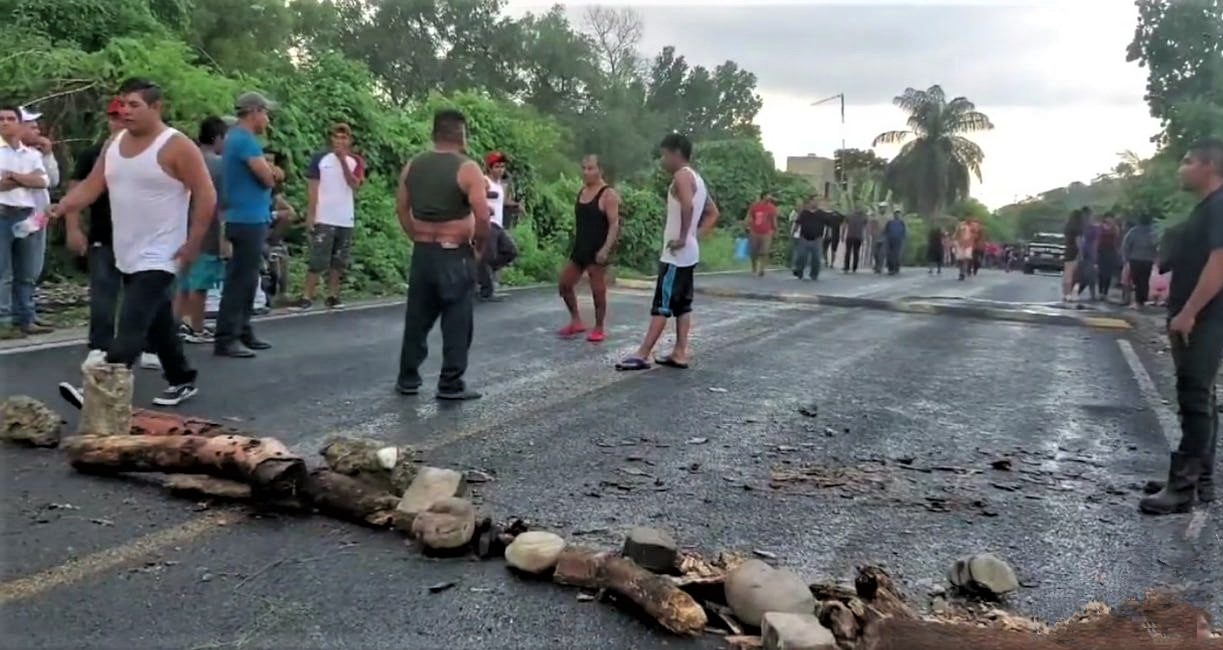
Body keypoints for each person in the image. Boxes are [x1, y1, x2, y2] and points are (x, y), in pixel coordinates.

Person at [48, 77, 216, 406]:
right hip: (126, 248)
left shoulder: (176, 146)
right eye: (122, 104)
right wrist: (66, 205)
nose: (125, 111)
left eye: (134, 104)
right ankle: (182, 378)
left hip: (162, 251)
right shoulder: (114, 144)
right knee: (158, 323)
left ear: (156, 107)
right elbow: (93, 185)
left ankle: (101, 387)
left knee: (132, 320)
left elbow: (206, 195)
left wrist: (194, 242)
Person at [1140, 137, 1223, 515]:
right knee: (1202, 397)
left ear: (1208, 166)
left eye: (1188, 161)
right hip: (1201, 314)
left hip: (1205, 316)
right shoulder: (1208, 207)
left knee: (1194, 396)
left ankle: (1184, 487)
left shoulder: (1219, 206)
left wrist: (1189, 311)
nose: (1181, 167)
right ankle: (1199, 480)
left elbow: (1219, 264)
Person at [394, 109, 491, 400]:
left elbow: (401, 208)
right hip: (454, 254)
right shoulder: (468, 168)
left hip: (423, 253)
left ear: (434, 132)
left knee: (417, 319)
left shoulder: (413, 165)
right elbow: (483, 216)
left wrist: (416, 236)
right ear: (461, 135)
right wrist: (479, 246)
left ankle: (408, 379)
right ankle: (450, 383)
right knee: (457, 320)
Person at [65, 99, 162, 367]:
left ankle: (150, 345)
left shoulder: (152, 152)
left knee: (144, 296)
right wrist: (73, 228)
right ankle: (99, 346)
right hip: (104, 234)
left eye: (123, 117)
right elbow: (75, 192)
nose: (119, 122)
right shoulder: (93, 155)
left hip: (143, 237)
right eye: (113, 118)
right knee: (103, 294)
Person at [615, 133, 719, 371]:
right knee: (682, 304)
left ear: (675, 153)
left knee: (662, 304)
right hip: (689, 253)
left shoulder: (682, 175)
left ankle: (642, 353)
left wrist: (683, 237)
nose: (663, 160)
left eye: (664, 155)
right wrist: (694, 235)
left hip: (676, 255)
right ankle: (680, 352)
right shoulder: (698, 179)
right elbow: (713, 213)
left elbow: (688, 205)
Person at [215, 91, 281, 358]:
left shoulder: (237, 139)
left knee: (247, 278)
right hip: (247, 218)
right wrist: (271, 171)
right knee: (240, 280)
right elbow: (267, 178)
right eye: (264, 113)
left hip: (246, 216)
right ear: (254, 112)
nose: (266, 119)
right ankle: (227, 336)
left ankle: (242, 329)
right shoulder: (245, 141)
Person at [294, 123, 364, 311]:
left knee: (339, 259)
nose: (340, 141)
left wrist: (343, 161)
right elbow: (313, 187)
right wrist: (311, 214)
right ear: (331, 138)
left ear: (349, 141)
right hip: (324, 216)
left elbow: (355, 184)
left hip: (344, 217)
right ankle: (307, 295)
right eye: (337, 137)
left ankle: (332, 295)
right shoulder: (320, 159)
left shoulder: (355, 161)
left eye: (344, 138)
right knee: (318, 258)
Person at [557, 154, 620, 342]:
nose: (586, 172)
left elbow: (614, 224)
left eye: (590, 168)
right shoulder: (582, 192)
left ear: (600, 170)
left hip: (598, 249)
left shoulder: (608, 194)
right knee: (564, 284)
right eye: (584, 168)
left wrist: (606, 249)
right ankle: (576, 320)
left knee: (597, 290)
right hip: (580, 248)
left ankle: (599, 327)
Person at [177, 116, 228, 344]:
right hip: (207, 230)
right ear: (217, 138)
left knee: (183, 280)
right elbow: (223, 201)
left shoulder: (187, 159)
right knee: (201, 282)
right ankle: (197, 327)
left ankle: (179, 322)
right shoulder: (217, 164)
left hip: (181, 227)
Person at [0, 104, 48, 339]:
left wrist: (14, 177)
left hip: (26, 213)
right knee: (3, 272)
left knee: (27, 270)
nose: (5, 122)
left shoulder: (32, 154)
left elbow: (42, 181)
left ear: (19, 123)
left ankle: (26, 317)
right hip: (2, 212)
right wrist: (26, 180)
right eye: (1, 119)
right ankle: (4, 321)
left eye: (10, 118)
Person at [19, 110, 58, 333]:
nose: (38, 131)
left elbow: (51, 181)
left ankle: (28, 311)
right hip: (16, 215)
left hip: (38, 217)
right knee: (15, 270)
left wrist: (48, 155)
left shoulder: (37, 154)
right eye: (32, 127)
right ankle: (17, 315)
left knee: (32, 269)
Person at [477, 151, 519, 301]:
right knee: (488, 257)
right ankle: (486, 291)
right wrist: (486, 202)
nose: (500, 169)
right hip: (487, 223)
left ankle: (481, 274)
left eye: (502, 166)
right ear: (489, 167)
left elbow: (502, 202)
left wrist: (516, 206)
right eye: (496, 166)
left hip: (498, 225)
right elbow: (476, 196)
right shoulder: (484, 181)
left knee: (510, 251)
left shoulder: (500, 185)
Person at [1121, 214, 1158, 309]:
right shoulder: (1153, 232)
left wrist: (1126, 257)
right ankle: (1141, 300)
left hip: (1135, 259)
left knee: (1136, 280)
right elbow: (1156, 246)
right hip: (1148, 260)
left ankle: (1138, 300)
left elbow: (1126, 245)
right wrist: (1156, 256)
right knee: (1144, 280)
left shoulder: (1133, 231)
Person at [744, 192, 776, 277]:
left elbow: (774, 220)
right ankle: (754, 267)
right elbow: (749, 216)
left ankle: (762, 269)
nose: (770, 197)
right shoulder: (755, 206)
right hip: (755, 232)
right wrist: (747, 225)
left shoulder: (772, 208)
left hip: (767, 233)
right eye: (768, 195)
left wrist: (774, 230)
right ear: (764, 196)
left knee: (764, 251)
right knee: (754, 251)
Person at [791, 198, 823, 280]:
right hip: (804, 238)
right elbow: (797, 223)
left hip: (817, 239)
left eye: (816, 201)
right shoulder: (804, 213)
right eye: (813, 201)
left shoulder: (821, 213)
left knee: (816, 258)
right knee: (801, 256)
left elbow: (830, 224)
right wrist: (793, 232)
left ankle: (814, 275)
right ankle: (799, 272)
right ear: (809, 203)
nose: (814, 202)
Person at [1062, 208, 1085, 302]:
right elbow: (1078, 241)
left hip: (1068, 249)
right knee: (1074, 273)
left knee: (1067, 272)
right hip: (1075, 250)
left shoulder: (1068, 228)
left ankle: (1065, 293)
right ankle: (1071, 294)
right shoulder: (1078, 229)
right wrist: (1081, 252)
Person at [1096, 214, 1121, 299]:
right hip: (1101, 251)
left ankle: (1105, 292)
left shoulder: (1115, 228)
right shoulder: (1100, 227)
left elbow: (1117, 239)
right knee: (1101, 272)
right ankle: (1100, 291)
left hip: (1111, 251)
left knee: (1108, 273)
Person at [883, 210, 906, 275]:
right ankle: (891, 268)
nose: (897, 215)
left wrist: (903, 238)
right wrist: (885, 238)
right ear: (894, 215)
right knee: (890, 255)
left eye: (898, 214)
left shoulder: (902, 223)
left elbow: (904, 232)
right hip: (890, 240)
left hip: (898, 241)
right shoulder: (890, 222)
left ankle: (896, 268)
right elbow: (885, 231)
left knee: (896, 255)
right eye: (896, 214)